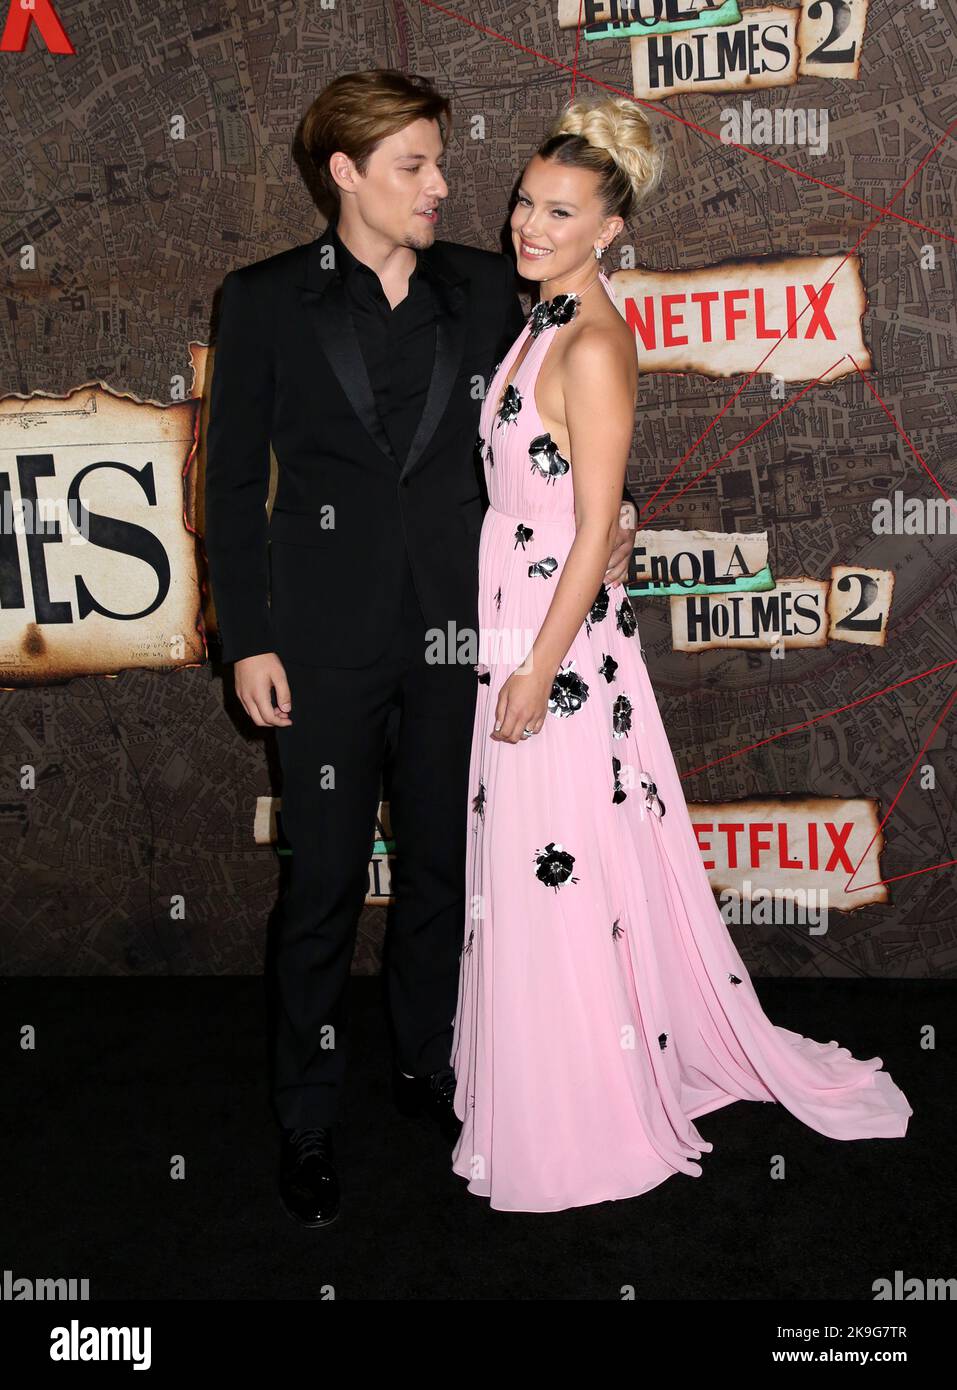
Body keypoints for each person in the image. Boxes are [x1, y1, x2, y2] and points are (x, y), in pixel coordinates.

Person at [450, 95, 912, 1213]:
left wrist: (534, 670)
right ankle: (554, 1079)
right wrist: (611, 537)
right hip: (530, 621)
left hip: (551, 650)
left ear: (609, 228)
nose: (527, 223)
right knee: (537, 867)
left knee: (553, 866)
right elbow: (591, 510)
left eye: (559, 211)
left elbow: (595, 510)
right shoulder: (541, 320)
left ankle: (582, 1113)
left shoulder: (596, 341)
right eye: (523, 200)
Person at [203, 70, 639, 1227]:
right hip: (321, 649)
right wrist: (245, 637)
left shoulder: (495, 285)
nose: (445, 187)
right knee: (323, 888)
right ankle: (305, 1116)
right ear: (344, 175)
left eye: (442, 163)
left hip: (467, 643)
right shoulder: (261, 301)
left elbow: (577, 401)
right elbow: (231, 484)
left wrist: (620, 515)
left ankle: (426, 1066)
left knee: (447, 879)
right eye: (415, 168)